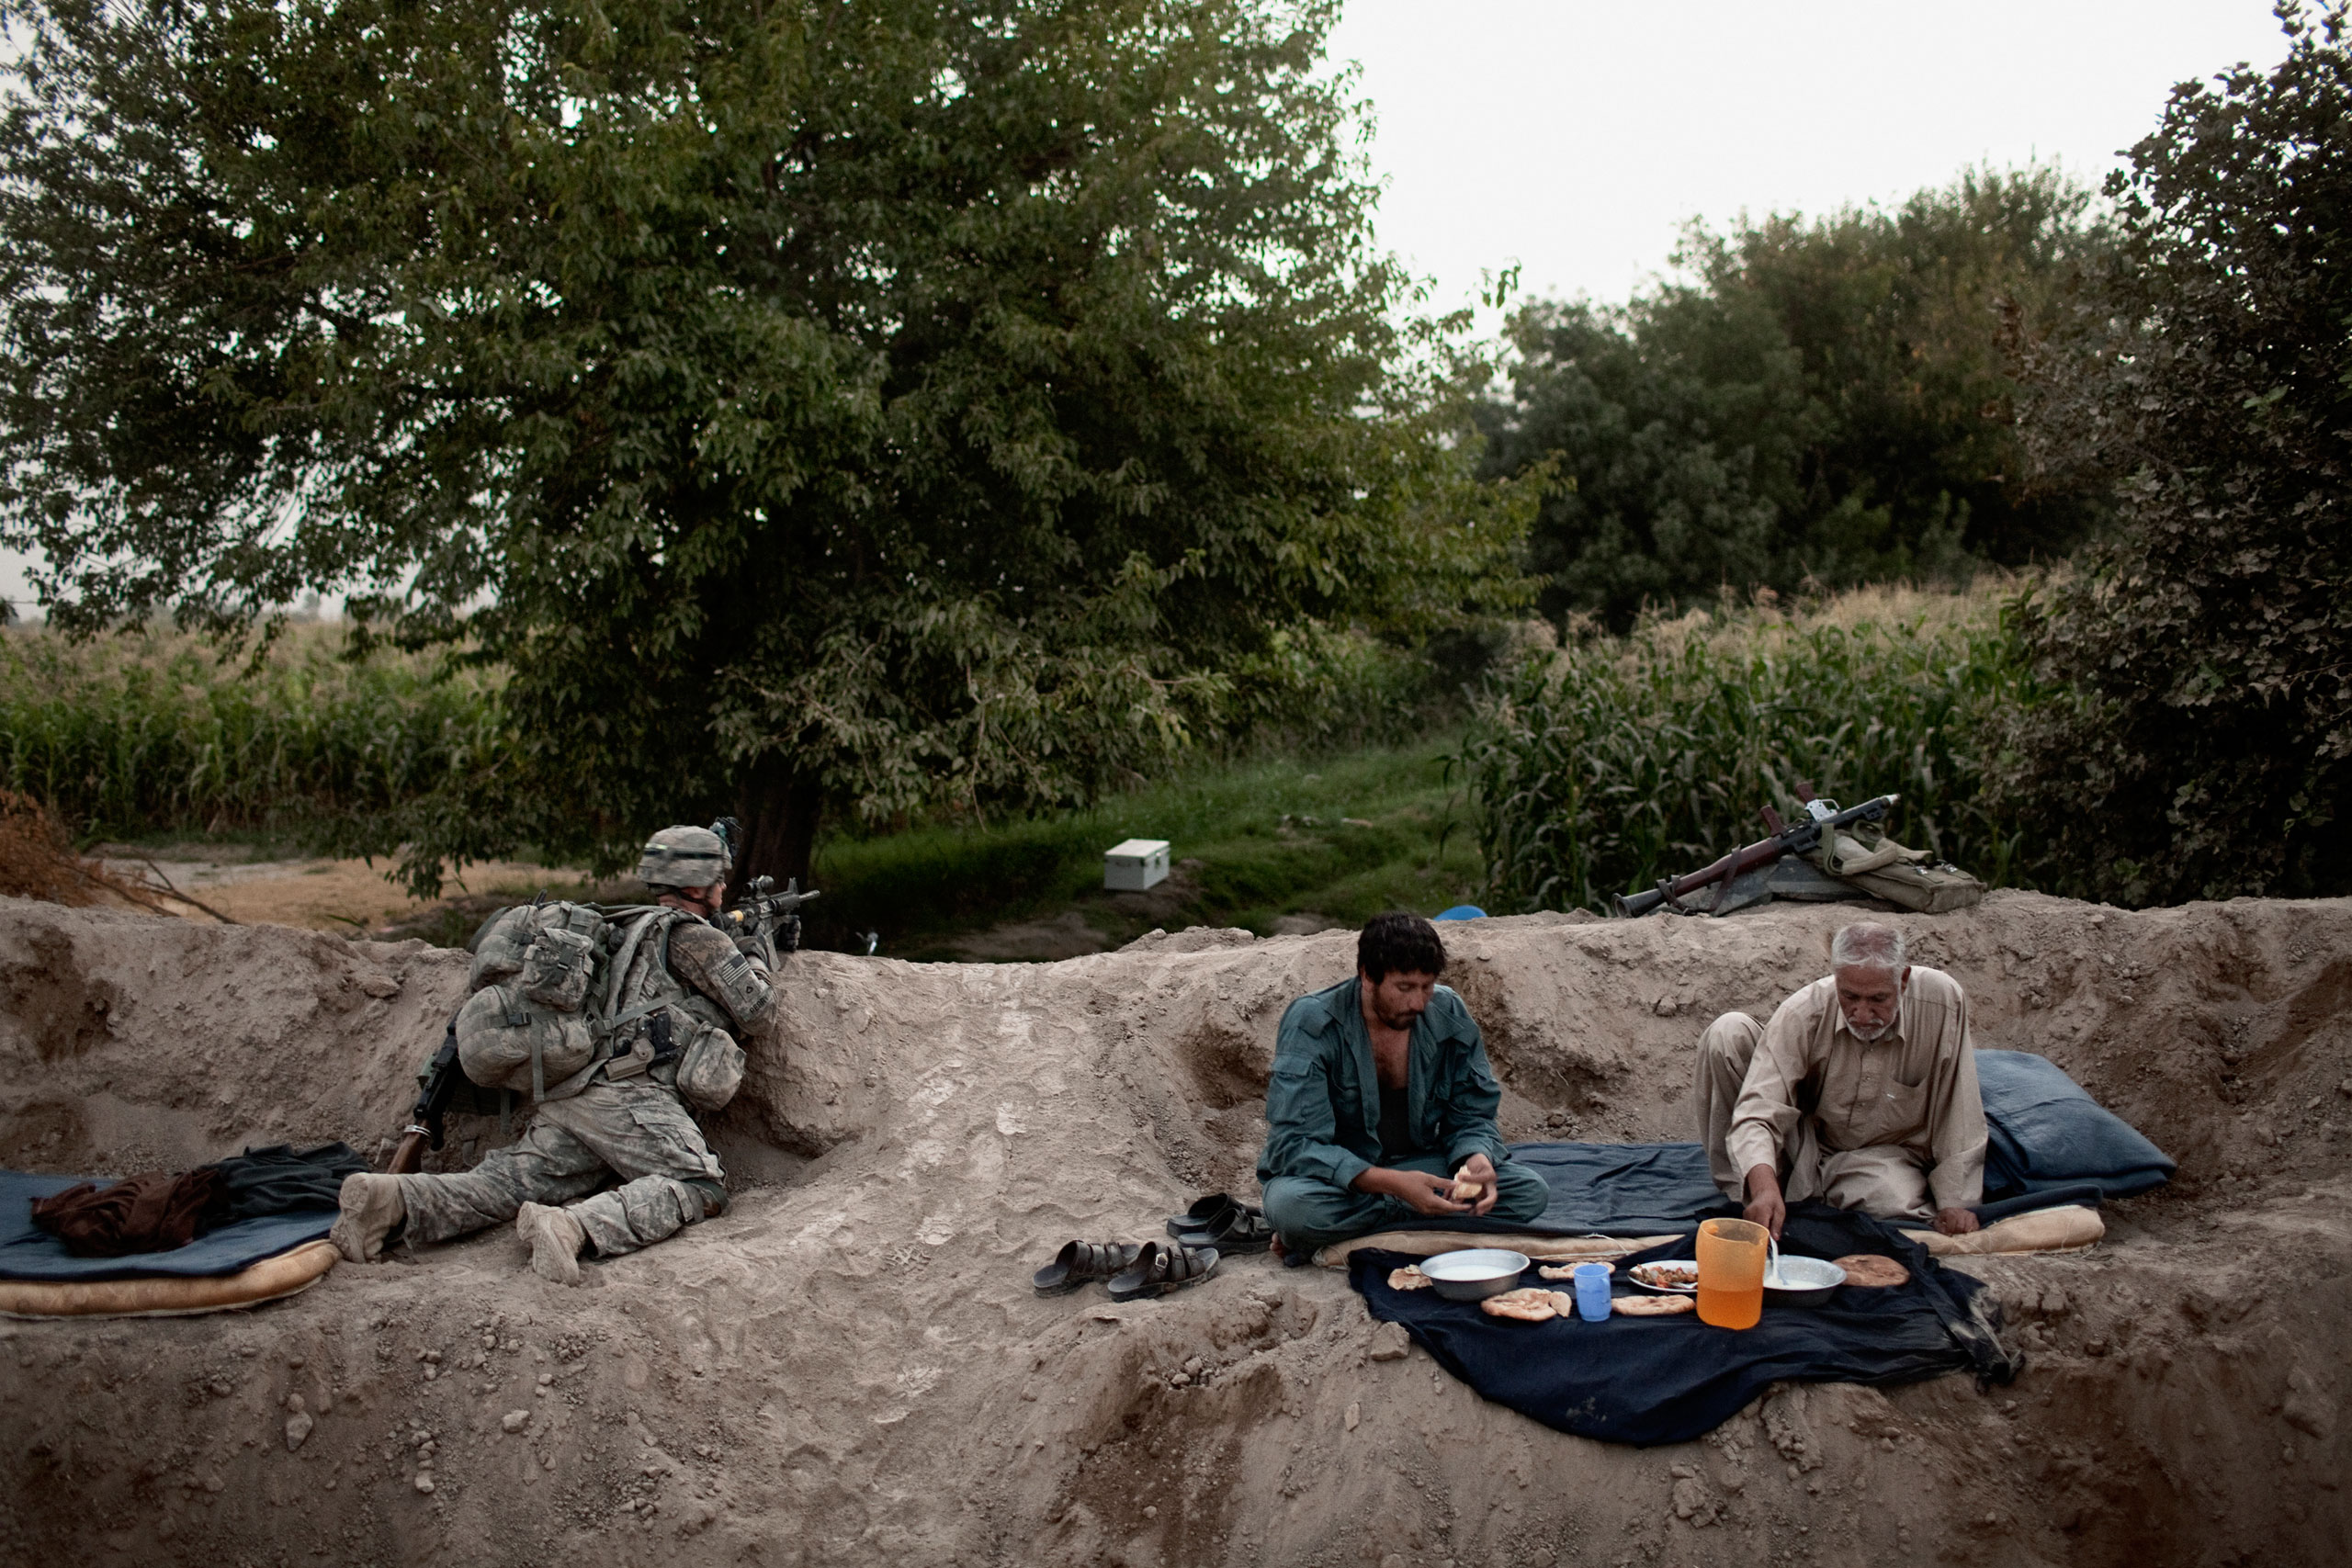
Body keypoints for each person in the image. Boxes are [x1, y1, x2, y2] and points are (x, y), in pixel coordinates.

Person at [329, 824, 783, 1283]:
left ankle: (392, 1200)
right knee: (700, 1184)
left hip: (573, 1089)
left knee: (510, 1183)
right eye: (718, 878)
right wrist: (756, 952)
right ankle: (572, 1227)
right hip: (631, 1100)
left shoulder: (621, 924)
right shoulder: (695, 937)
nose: (724, 887)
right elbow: (759, 1012)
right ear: (694, 886)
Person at [1257, 912, 1548, 1258]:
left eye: (1427, 986)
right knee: (1295, 1210)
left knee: (1529, 1192)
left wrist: (1477, 1158)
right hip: (1341, 1183)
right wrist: (1395, 1186)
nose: (1418, 1002)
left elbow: (1472, 1114)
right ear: (1367, 976)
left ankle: (1351, 1235)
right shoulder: (1313, 1021)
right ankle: (1419, 1222)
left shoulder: (1447, 1011)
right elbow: (1296, 1143)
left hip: (1421, 1167)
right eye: (1405, 988)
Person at [1696, 920, 1984, 1240]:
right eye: (1850, 996)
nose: (1861, 1013)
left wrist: (1955, 1202)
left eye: (1877, 999)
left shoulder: (1941, 1002)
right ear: (1836, 979)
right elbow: (1758, 1110)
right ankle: (1751, 1196)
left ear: (1903, 981)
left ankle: (1801, 1197)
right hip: (1802, 1146)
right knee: (1727, 1032)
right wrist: (1763, 1188)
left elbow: (1958, 1106)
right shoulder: (1803, 1012)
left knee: (1892, 1199)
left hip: (1882, 1158)